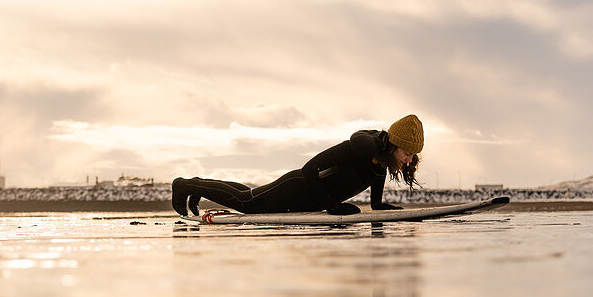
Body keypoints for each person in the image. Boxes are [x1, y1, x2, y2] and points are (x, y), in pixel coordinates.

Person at [172, 114, 423, 216]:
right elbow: (310, 169)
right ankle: (184, 185)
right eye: (407, 152)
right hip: (298, 187)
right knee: (246, 203)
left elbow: (376, 174)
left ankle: (198, 186)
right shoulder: (363, 148)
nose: (409, 159)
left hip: (309, 199)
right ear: (393, 145)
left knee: (247, 194)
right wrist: (331, 206)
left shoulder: (381, 160)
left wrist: (378, 204)